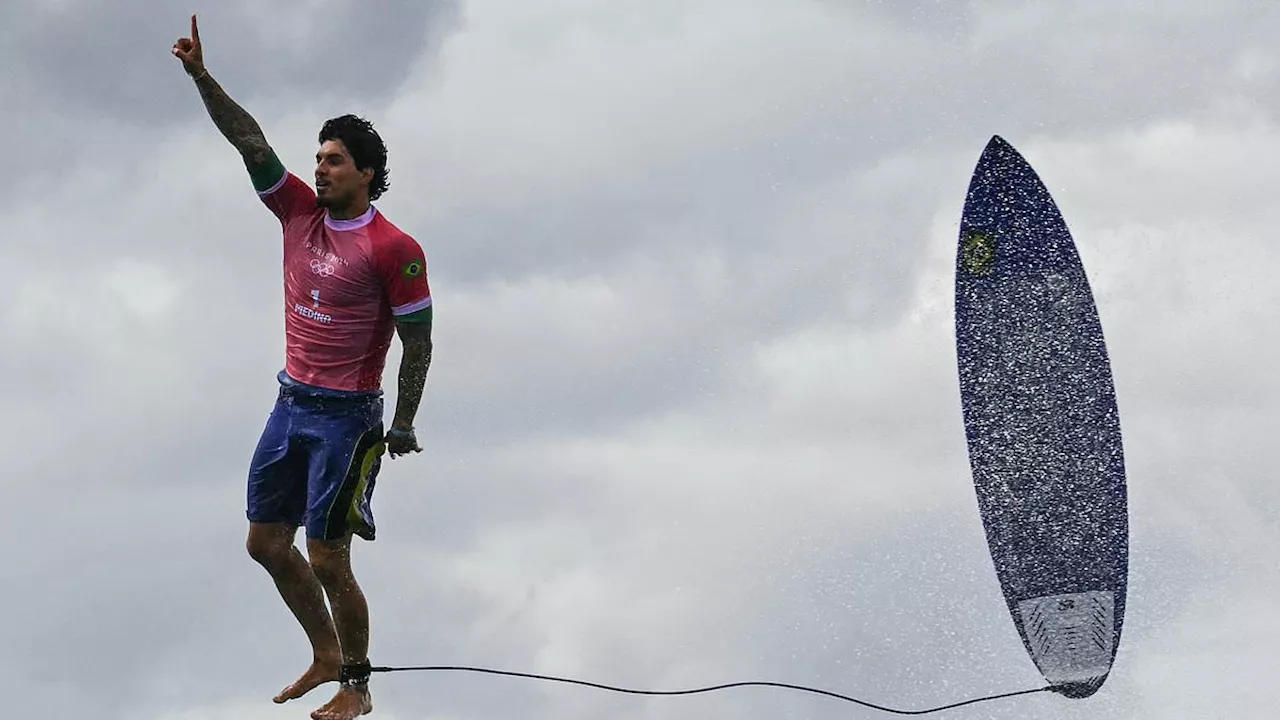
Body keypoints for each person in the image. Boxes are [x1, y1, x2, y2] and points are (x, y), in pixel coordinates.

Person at [172, 14, 433, 720]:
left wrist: (403, 423)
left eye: (334, 160)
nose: (319, 168)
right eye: (318, 158)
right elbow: (249, 139)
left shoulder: (393, 247)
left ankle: (356, 684)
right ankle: (323, 651)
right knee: (264, 542)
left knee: (327, 556)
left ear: (367, 174)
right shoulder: (296, 212)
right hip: (291, 404)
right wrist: (201, 76)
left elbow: (419, 342)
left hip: (348, 419)